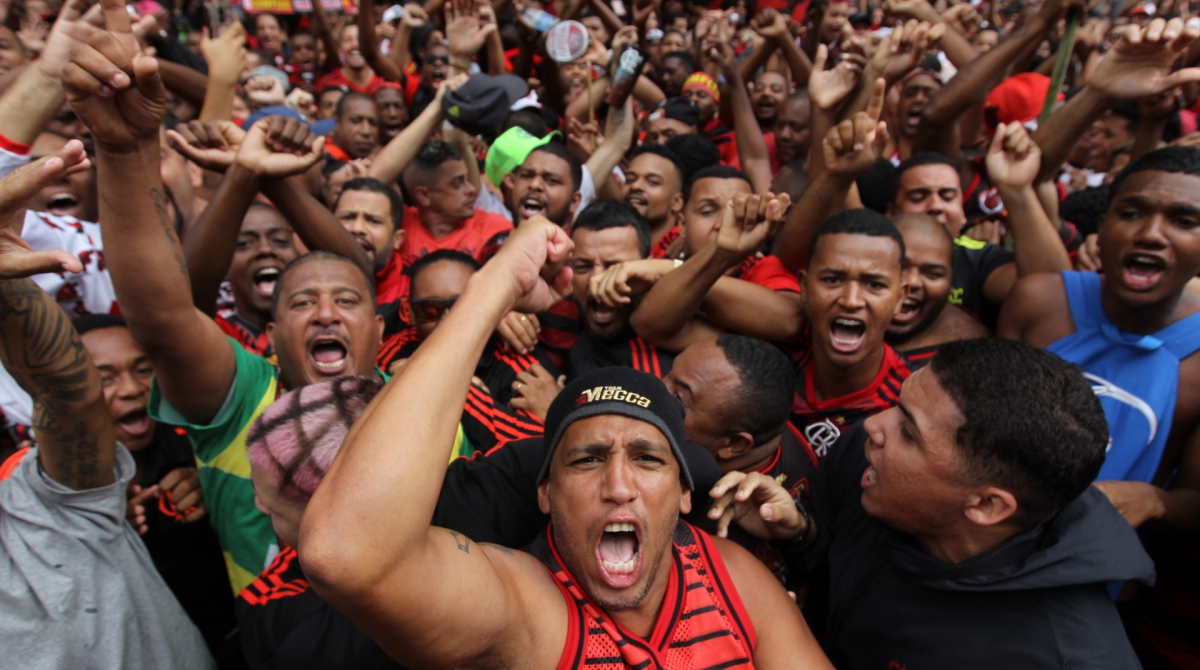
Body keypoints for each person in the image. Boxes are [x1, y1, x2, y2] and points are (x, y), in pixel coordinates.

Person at [297, 215, 836, 669]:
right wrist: (494, 286)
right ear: (546, 494)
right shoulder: (524, 611)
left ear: (685, 493)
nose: (619, 486)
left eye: (647, 458)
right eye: (587, 459)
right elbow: (344, 552)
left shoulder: (734, 580)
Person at [61, 21, 384, 594]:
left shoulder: (420, 401)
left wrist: (271, 177)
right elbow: (163, 318)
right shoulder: (242, 403)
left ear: (381, 328)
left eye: (346, 303)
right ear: (271, 331)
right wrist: (119, 149)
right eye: (303, 302)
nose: (327, 313)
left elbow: (353, 270)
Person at [717, 339, 1154, 669]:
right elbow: (830, 545)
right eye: (898, 404)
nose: (873, 425)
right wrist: (800, 532)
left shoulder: (1063, 656)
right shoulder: (865, 461)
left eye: (910, 432)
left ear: (986, 505)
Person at [0, 139, 215, 668]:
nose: (125, 389)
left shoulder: (51, 505)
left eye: (141, 370)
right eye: (104, 377)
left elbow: (65, 389)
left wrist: (212, 500)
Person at [1000, 146, 1200, 532]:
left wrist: (1155, 500)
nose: (1150, 234)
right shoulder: (1037, 301)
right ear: (1102, 228)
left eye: (1183, 221)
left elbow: (1194, 500)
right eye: (1131, 214)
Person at [887, 213, 988, 367]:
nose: (912, 281)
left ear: (950, 284)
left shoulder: (967, 357)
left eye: (932, 274)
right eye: (899, 266)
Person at [398, 140, 512, 263]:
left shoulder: (496, 229)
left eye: (467, 179)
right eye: (457, 183)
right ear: (424, 195)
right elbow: (378, 175)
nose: (471, 189)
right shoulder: (402, 223)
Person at [622, 144, 686, 256]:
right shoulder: (605, 240)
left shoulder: (684, 251)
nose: (635, 186)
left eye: (652, 182)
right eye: (630, 179)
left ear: (676, 202)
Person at [314, 23, 389, 96]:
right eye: (348, 40)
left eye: (360, 39)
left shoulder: (385, 82)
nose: (355, 44)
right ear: (339, 48)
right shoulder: (327, 83)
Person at [327, 92, 380, 161]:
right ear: (337, 122)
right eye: (356, 120)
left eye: (373, 123)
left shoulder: (375, 159)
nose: (366, 131)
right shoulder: (324, 160)